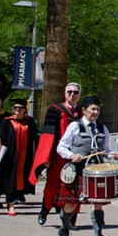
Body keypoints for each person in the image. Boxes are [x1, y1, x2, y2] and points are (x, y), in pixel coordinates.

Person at [54, 96, 118, 236]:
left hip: (96, 172)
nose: (95, 112)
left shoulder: (103, 128)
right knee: (71, 203)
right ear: (84, 110)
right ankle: (63, 228)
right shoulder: (75, 126)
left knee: (97, 202)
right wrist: (71, 155)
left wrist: (111, 155)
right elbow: (61, 146)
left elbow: (106, 150)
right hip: (77, 170)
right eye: (92, 109)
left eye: (97, 109)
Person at [31, 84, 83, 226]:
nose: (72, 94)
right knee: (52, 185)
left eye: (75, 92)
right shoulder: (55, 110)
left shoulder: (83, 111)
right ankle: (44, 210)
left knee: (75, 187)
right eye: (70, 92)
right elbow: (48, 135)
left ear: (79, 95)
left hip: (77, 156)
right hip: (58, 155)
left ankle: (71, 219)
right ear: (65, 94)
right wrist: (46, 157)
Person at [0, 98, 38, 216]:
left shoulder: (30, 122)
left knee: (23, 178)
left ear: (25, 110)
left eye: (20, 108)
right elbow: (0, 139)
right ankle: (10, 205)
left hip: (26, 157)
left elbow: (35, 140)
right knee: (10, 179)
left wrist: (36, 157)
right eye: (15, 108)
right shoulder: (7, 121)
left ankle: (18, 197)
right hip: (10, 156)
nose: (17, 110)